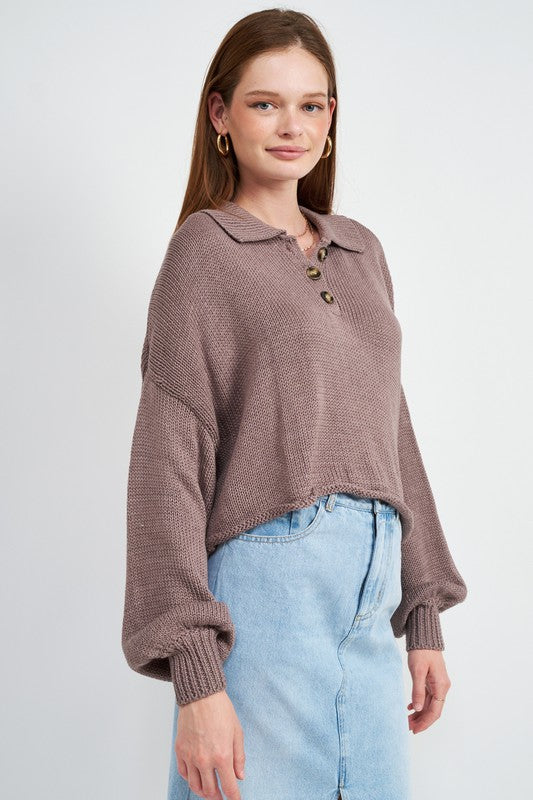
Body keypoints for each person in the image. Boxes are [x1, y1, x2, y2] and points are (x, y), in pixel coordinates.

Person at [121, 9, 468, 800]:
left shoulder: (360, 250)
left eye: (310, 105)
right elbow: (167, 464)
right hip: (267, 597)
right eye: (265, 103)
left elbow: (391, 432)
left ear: (331, 117)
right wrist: (197, 680)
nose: (291, 126)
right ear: (220, 114)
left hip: (370, 603)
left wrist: (422, 612)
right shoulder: (204, 253)